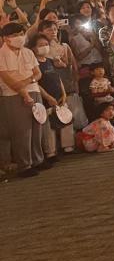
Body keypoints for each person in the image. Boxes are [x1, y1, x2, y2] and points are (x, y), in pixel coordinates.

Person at [0, 22, 44, 178]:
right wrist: (24, 92)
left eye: (21, 34)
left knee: (37, 128)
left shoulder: (27, 52)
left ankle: (38, 160)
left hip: (34, 91)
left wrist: (28, 82)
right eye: (14, 35)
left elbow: (38, 73)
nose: (19, 38)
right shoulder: (2, 54)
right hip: (13, 96)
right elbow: (8, 79)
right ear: (5, 38)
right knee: (22, 132)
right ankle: (25, 165)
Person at [31, 34, 66, 165]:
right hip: (45, 100)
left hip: (58, 97)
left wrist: (63, 93)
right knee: (47, 128)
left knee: (61, 123)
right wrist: (48, 97)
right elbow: (36, 84)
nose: (44, 47)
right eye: (40, 45)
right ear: (34, 48)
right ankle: (50, 153)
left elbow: (58, 79)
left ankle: (62, 148)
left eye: (46, 44)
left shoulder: (50, 61)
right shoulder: (34, 63)